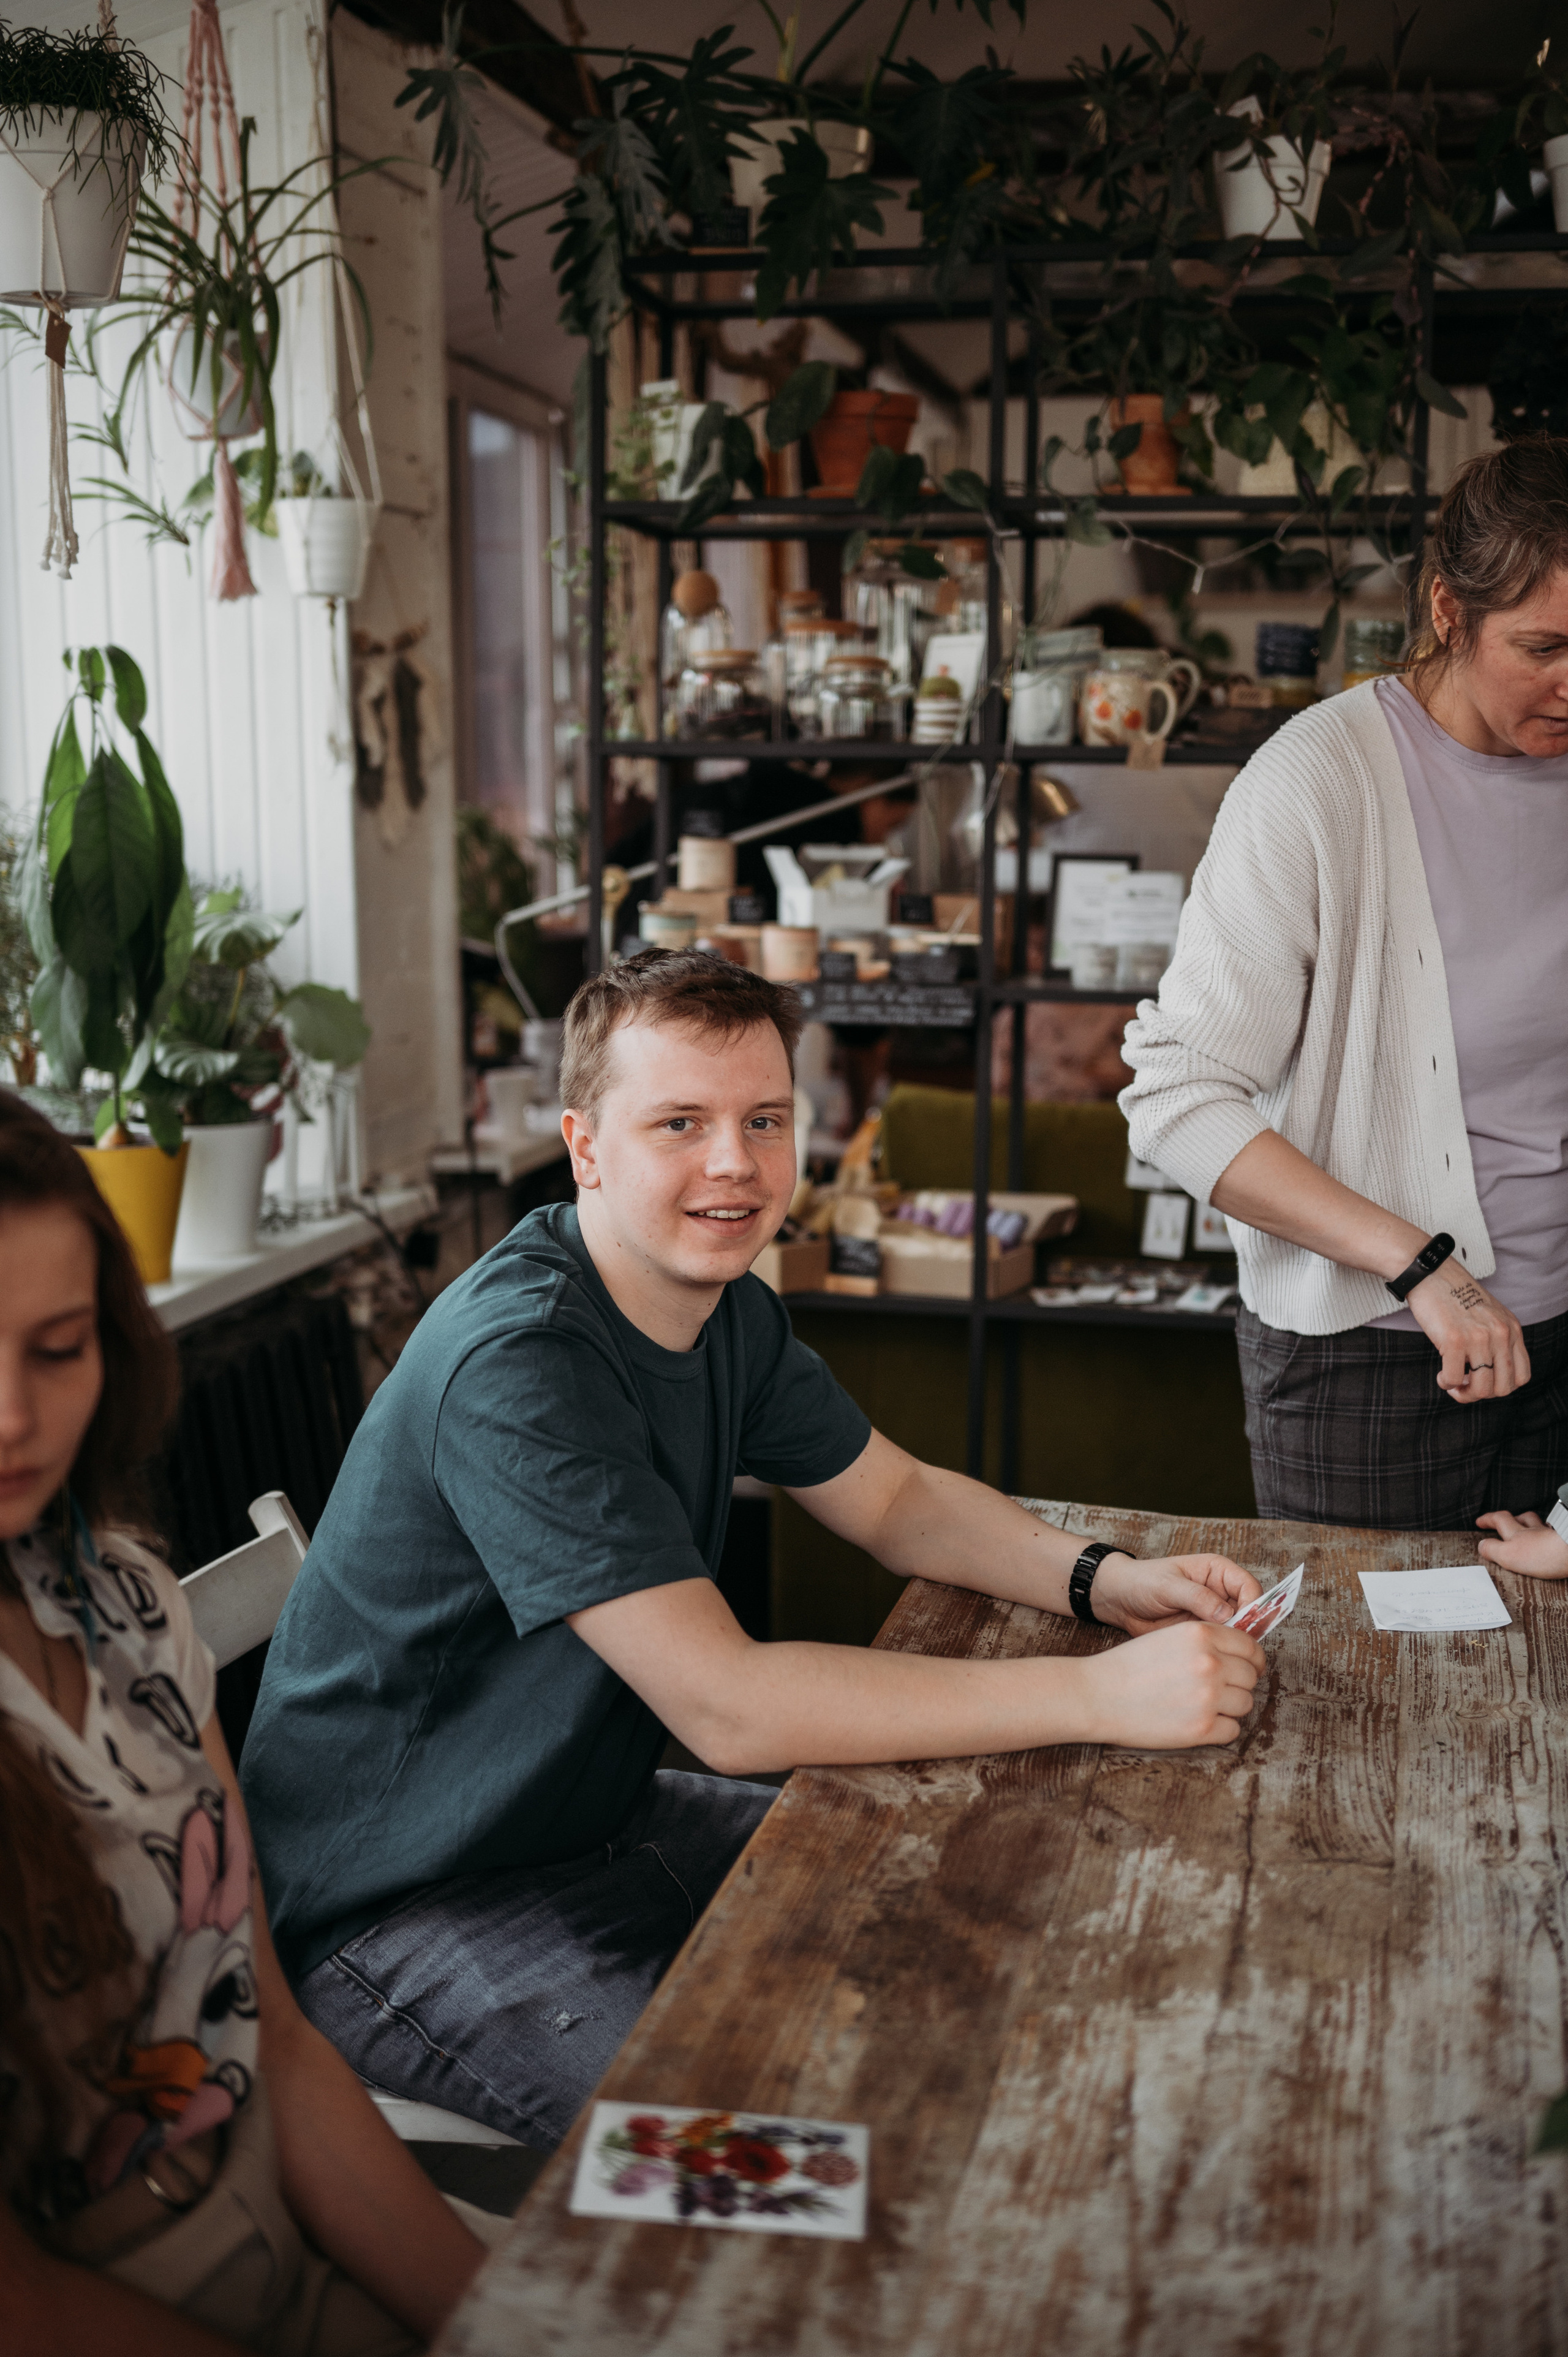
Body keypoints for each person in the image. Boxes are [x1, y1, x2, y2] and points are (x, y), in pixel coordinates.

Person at [241, 949, 1266, 2156]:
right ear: (585, 1146)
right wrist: (1097, 1693)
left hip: (584, 1820)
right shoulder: (519, 1362)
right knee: (789, 2158)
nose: (733, 1163)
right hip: (402, 1908)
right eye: (679, 1121)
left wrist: (1105, 1579)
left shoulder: (724, 1302)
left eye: (763, 1120)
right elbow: (726, 1707)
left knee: (987, 1921)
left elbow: (892, 1500)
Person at [0, 1095, 496, 2355]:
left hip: (276, 2213)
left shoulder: (123, 1598)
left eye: (56, 1348)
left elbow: (271, 2035)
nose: (12, 1415)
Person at [1120, 437, 1568, 1534]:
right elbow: (1176, 1098)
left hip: (1564, 1348)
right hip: (1368, 1363)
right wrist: (1422, 1265)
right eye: (1543, 646)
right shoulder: (1320, 780)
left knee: (1538, 1704)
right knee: (1362, 1694)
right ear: (1449, 611)